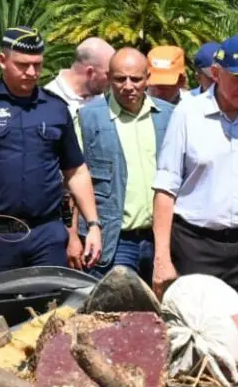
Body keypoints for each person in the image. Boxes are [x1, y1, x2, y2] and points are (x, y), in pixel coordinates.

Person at [153, 34, 238, 330]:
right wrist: (161, 256)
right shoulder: (187, 115)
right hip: (194, 245)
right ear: (216, 74)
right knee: (193, 334)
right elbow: (165, 189)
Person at [0, 26, 101, 278]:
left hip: (47, 234)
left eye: (37, 65)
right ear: (2, 60)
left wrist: (93, 224)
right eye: (22, 65)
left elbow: (76, 171)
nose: (31, 72)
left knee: (51, 313)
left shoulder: (56, 108)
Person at [74, 47, 174, 281]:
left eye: (136, 79)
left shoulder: (169, 116)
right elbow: (76, 178)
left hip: (162, 238)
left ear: (148, 78)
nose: (128, 86)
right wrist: (73, 237)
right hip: (114, 239)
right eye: (120, 79)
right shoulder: (88, 118)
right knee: (114, 312)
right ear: (108, 78)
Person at [44, 37, 112, 114]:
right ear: (90, 72)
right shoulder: (48, 102)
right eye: (108, 74)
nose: (113, 80)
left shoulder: (106, 97)